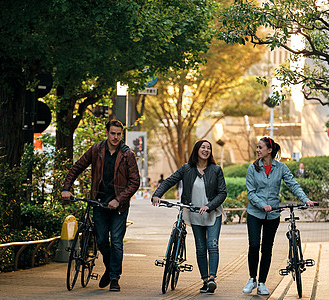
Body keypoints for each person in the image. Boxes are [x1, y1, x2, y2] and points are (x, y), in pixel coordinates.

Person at [61, 120, 140, 292]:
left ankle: (114, 278)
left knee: (117, 242)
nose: (116, 137)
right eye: (113, 133)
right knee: (102, 240)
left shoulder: (127, 155)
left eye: (119, 134)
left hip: (119, 207)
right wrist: (67, 188)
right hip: (99, 203)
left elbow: (135, 182)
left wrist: (119, 200)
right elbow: (77, 168)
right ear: (107, 133)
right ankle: (111, 267)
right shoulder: (96, 150)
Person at [152, 140, 227, 294]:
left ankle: (212, 278)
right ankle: (205, 280)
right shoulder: (187, 169)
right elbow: (170, 181)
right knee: (200, 248)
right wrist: (157, 194)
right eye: (203, 147)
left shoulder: (216, 169)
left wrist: (209, 205)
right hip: (194, 212)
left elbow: (222, 193)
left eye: (208, 148)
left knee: (212, 245)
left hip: (213, 213)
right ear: (196, 150)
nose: (206, 150)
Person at [243, 137, 315, 295]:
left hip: (273, 214)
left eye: (260, 147)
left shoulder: (281, 167)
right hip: (255, 213)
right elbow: (251, 193)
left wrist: (305, 199)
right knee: (254, 245)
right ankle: (252, 279)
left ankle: (262, 282)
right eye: (257, 147)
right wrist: (262, 205)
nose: (257, 150)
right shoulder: (252, 168)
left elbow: (293, 184)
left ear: (270, 150)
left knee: (267, 249)